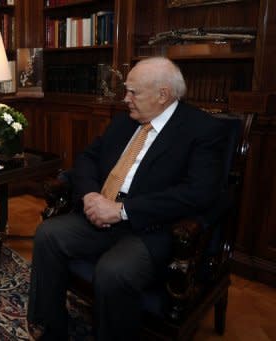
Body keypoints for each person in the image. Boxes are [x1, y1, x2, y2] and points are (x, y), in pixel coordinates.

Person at [27, 57, 228, 340]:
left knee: (114, 271)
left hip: (153, 228)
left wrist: (122, 210)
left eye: (133, 92)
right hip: (102, 211)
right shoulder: (125, 122)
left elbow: (199, 194)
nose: (125, 98)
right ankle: (50, 327)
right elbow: (88, 158)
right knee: (49, 234)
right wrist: (90, 195)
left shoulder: (202, 130)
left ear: (163, 95)